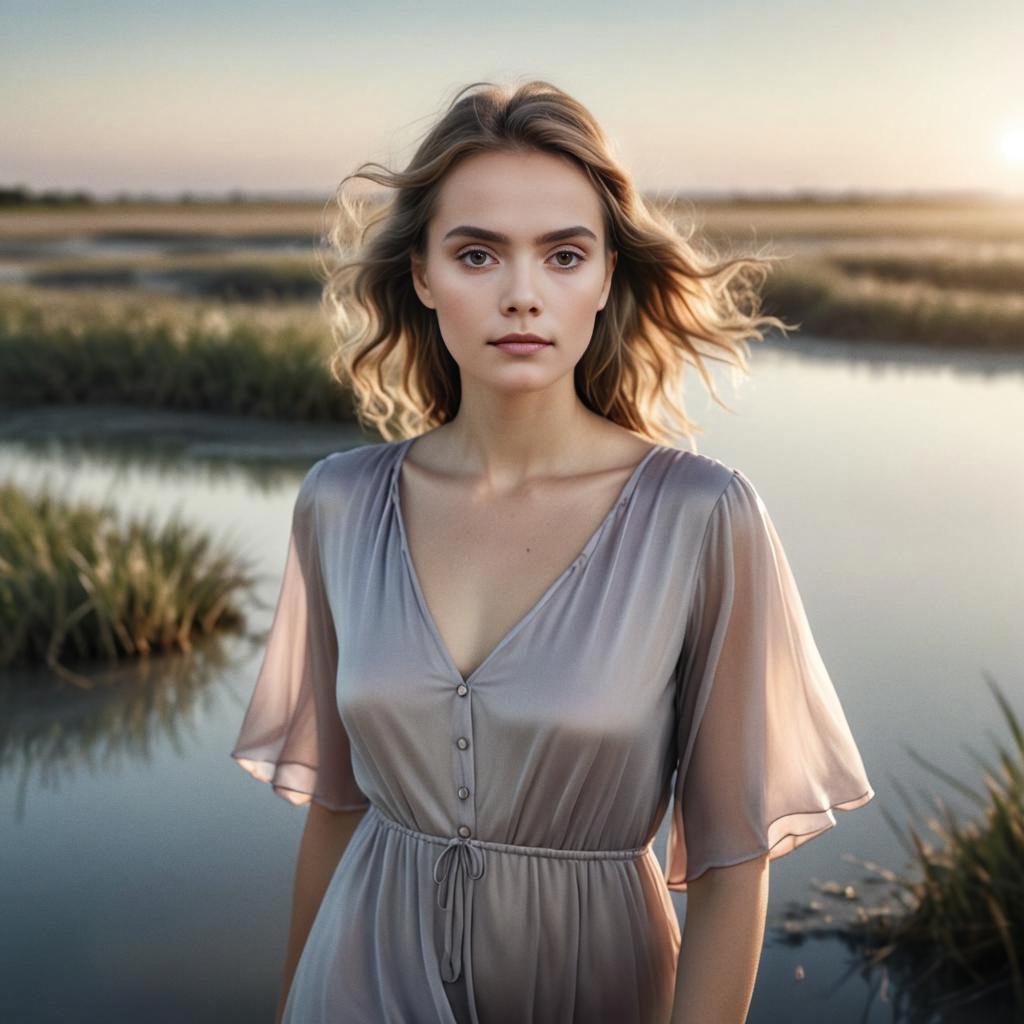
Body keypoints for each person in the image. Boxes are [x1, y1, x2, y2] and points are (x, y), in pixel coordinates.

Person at [230, 79, 875, 1024]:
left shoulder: (702, 518)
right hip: (356, 982)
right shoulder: (338, 501)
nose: (522, 295)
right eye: (478, 254)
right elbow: (337, 809)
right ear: (422, 275)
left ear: (608, 274)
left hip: (594, 988)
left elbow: (734, 869)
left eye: (563, 255)